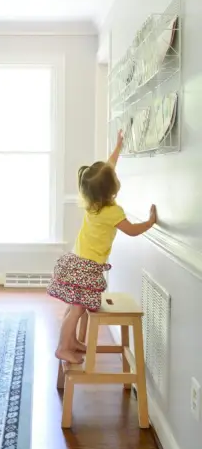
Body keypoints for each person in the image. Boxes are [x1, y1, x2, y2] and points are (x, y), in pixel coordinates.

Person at [47, 131, 157, 364]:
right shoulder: (112, 212)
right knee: (77, 308)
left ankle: (71, 342)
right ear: (112, 189)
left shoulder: (92, 201)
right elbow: (132, 230)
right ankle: (63, 347)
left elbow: (109, 166)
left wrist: (118, 146)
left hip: (78, 260)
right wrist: (149, 222)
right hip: (86, 266)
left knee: (74, 307)